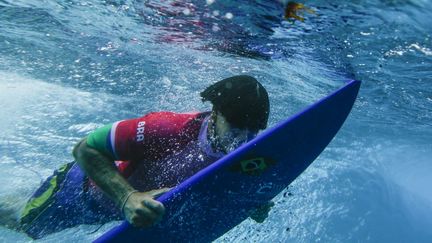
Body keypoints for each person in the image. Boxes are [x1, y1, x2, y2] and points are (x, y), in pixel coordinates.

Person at [4, 75, 271, 239]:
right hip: (74, 194)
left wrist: (248, 201)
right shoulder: (168, 129)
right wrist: (127, 198)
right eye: (236, 127)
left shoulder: (245, 150)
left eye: (254, 131)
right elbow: (85, 148)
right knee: (19, 221)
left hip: (111, 215)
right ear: (215, 113)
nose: (243, 139)